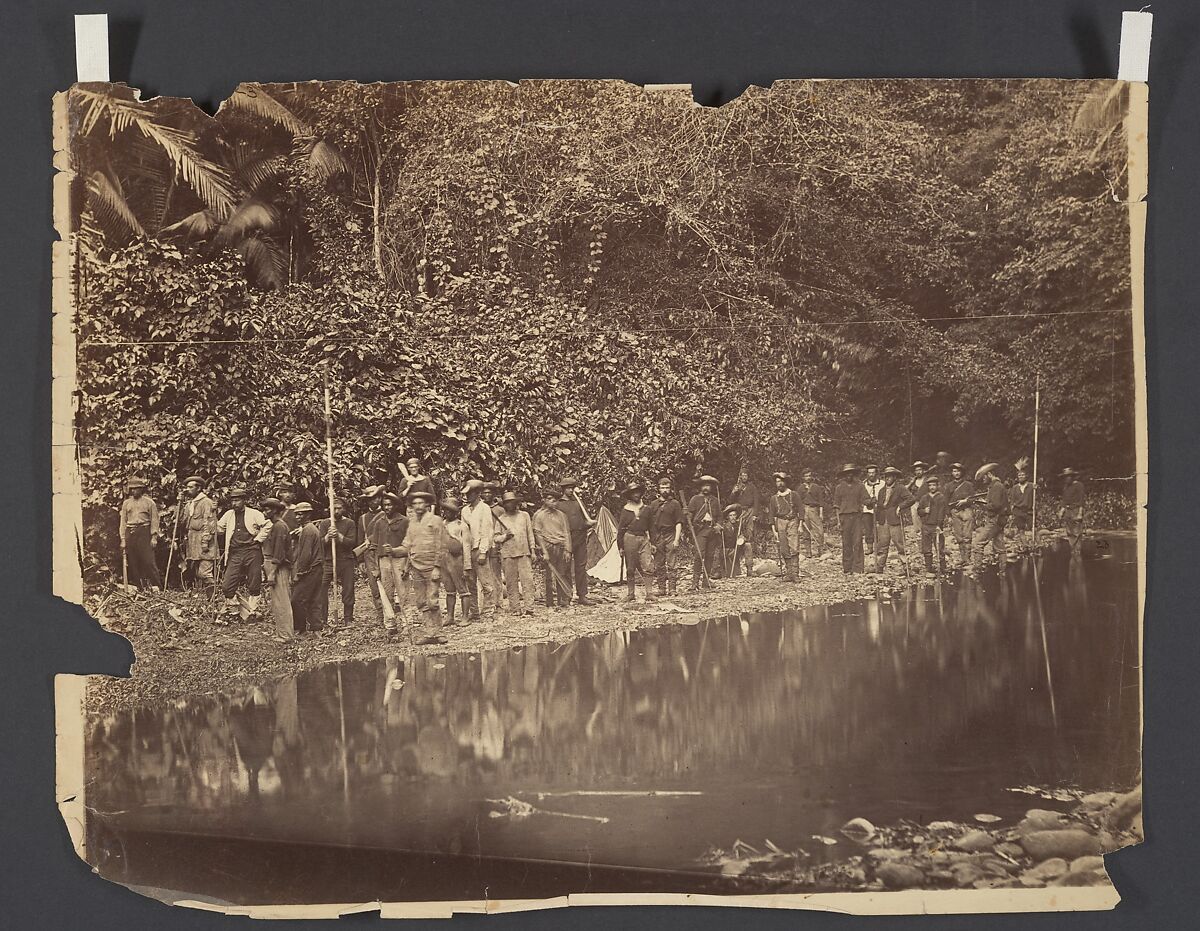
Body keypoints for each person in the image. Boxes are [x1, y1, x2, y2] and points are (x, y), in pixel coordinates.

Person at [397, 489, 446, 642]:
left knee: (432, 600)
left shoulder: (435, 520)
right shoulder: (412, 523)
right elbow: (407, 545)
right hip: (416, 567)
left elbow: (442, 545)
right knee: (421, 602)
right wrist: (393, 552)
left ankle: (438, 633)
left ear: (427, 504)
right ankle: (429, 632)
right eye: (415, 503)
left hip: (431, 567)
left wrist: (437, 567)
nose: (418, 506)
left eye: (421, 503)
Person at [216, 487, 270, 623]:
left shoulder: (254, 513)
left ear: (244, 501)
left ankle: (252, 611)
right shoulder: (229, 514)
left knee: (254, 583)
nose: (234, 503)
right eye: (233, 501)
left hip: (252, 551)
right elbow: (219, 529)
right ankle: (235, 610)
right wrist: (211, 519)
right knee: (227, 585)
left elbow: (268, 525)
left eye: (237, 500)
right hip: (235, 552)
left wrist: (258, 539)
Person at [356, 485, 396, 635]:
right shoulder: (363, 518)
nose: (375, 501)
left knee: (389, 584)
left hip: (385, 552)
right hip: (369, 554)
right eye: (371, 499)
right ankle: (381, 614)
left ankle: (390, 615)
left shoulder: (387, 514)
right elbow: (360, 539)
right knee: (375, 586)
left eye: (377, 498)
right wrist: (360, 560)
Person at [316, 497, 357, 629]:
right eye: (334, 508)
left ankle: (348, 619)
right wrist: (328, 536)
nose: (337, 511)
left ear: (344, 509)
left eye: (339, 508)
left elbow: (351, 543)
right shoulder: (325, 523)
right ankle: (323, 619)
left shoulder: (349, 523)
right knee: (321, 588)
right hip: (328, 561)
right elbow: (320, 544)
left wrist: (338, 535)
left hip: (346, 561)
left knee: (348, 589)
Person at [462, 480, 500, 621]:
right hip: (468, 549)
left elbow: (487, 531)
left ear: (478, 494)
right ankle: (474, 612)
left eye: (470, 493)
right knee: (470, 582)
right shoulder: (465, 510)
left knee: (486, 583)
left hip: (480, 548)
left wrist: (484, 551)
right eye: (466, 494)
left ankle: (488, 611)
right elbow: (465, 534)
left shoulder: (484, 508)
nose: (467, 497)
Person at [495, 491, 536, 615]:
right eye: (507, 503)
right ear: (504, 505)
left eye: (512, 502)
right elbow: (496, 538)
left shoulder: (524, 516)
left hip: (524, 553)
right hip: (508, 554)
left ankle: (529, 607)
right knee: (511, 582)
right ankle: (515, 608)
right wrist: (505, 536)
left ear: (516, 503)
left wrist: (532, 550)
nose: (509, 505)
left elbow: (530, 534)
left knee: (527, 581)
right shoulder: (501, 519)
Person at [533, 486, 574, 608]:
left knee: (562, 573)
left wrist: (568, 549)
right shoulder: (539, 515)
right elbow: (538, 534)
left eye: (555, 500)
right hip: (548, 546)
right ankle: (549, 601)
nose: (553, 502)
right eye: (550, 499)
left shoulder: (562, 515)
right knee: (549, 576)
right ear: (545, 500)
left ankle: (563, 600)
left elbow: (567, 533)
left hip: (561, 547)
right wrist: (544, 551)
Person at [259, 497, 295, 638]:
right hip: (273, 565)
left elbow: (279, 553)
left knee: (282, 602)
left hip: (278, 568)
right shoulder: (275, 525)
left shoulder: (279, 526)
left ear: (274, 511)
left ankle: (286, 635)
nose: (264, 512)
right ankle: (283, 633)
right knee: (277, 601)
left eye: (267, 509)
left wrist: (272, 573)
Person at [557, 477, 596, 605]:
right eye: (568, 488)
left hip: (580, 537)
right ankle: (566, 596)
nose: (571, 490)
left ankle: (582, 595)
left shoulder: (578, 502)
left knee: (581, 567)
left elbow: (585, 519)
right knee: (565, 567)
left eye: (572, 488)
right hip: (566, 539)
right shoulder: (559, 504)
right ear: (563, 489)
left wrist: (588, 524)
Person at [119, 477, 162, 590]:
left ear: (141, 489)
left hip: (144, 532)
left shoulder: (149, 503)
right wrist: (123, 539)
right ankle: (140, 587)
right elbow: (123, 522)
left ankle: (157, 586)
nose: (134, 491)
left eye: (136, 489)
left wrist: (154, 537)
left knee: (148, 561)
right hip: (131, 532)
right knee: (133, 561)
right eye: (132, 489)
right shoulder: (126, 503)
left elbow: (155, 520)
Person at [615, 482, 655, 603]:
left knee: (648, 566)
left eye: (638, 492)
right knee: (630, 568)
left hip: (643, 538)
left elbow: (652, 527)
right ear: (630, 495)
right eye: (633, 493)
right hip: (630, 538)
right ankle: (631, 594)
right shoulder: (626, 510)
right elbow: (621, 529)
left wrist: (653, 543)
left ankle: (649, 593)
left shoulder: (647, 509)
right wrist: (620, 546)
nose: (636, 494)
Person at [289, 502, 325, 633]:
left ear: (308, 515)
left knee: (296, 599)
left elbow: (305, 555)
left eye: (301, 514)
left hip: (311, 569)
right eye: (296, 514)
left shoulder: (308, 531)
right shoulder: (308, 529)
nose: (298, 517)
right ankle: (316, 627)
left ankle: (300, 627)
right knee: (314, 598)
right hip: (316, 568)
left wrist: (299, 574)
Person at [439, 497, 474, 626]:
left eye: (450, 511)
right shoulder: (442, 524)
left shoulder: (462, 526)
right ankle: (450, 616)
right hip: (444, 559)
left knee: (463, 589)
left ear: (455, 512)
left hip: (457, 559)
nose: (447, 513)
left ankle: (465, 617)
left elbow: (466, 546)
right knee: (449, 589)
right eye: (445, 510)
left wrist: (467, 565)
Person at [873, 467, 916, 573]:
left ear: (895, 477)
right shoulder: (881, 491)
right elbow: (879, 506)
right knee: (882, 544)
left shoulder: (900, 488)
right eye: (886, 476)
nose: (887, 478)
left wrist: (900, 507)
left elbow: (911, 499)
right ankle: (879, 567)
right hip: (883, 520)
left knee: (899, 544)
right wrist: (877, 517)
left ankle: (906, 567)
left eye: (890, 476)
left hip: (895, 520)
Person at [180, 476, 218, 592]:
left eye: (191, 487)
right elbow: (182, 521)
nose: (187, 489)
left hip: (204, 541)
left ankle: (213, 599)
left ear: (199, 488)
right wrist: (180, 503)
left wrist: (205, 541)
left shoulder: (206, 502)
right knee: (196, 572)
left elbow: (210, 523)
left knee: (204, 573)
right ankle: (204, 599)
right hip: (193, 541)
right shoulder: (190, 504)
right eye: (187, 487)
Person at [971, 463, 1010, 573]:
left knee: (978, 543)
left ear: (989, 474)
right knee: (1000, 546)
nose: (983, 479)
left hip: (995, 520)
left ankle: (977, 570)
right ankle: (1003, 572)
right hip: (999, 520)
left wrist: (983, 504)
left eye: (984, 477)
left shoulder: (996, 486)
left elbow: (996, 505)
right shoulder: (996, 486)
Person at [377, 492, 410, 621]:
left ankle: (408, 624)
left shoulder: (404, 521)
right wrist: (376, 566)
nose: (387, 508)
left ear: (395, 506)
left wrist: (407, 565)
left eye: (390, 505)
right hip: (384, 561)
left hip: (400, 560)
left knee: (403, 593)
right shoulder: (380, 522)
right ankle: (390, 624)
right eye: (384, 505)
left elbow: (409, 545)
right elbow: (375, 545)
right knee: (386, 593)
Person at [648, 476, 684, 593]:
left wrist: (677, 539)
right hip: (657, 536)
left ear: (670, 489)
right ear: (658, 489)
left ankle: (672, 589)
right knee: (659, 564)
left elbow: (678, 522)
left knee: (672, 563)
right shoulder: (653, 504)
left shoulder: (675, 504)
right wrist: (651, 541)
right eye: (662, 487)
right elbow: (650, 524)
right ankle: (661, 589)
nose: (665, 490)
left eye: (667, 488)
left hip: (670, 535)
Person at [832, 464, 870, 574]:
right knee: (846, 543)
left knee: (857, 542)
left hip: (857, 517)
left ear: (854, 474)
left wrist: (870, 502)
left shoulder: (860, 486)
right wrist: (838, 521)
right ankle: (847, 568)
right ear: (844, 475)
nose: (849, 475)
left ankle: (858, 568)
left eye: (851, 473)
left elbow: (866, 499)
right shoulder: (839, 488)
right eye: (847, 473)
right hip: (844, 518)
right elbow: (837, 505)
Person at [687, 475, 722, 590]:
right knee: (699, 555)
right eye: (704, 485)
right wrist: (688, 520)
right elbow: (690, 516)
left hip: (712, 530)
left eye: (708, 485)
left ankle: (706, 582)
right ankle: (695, 582)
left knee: (710, 556)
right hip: (700, 530)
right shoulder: (695, 499)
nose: (706, 488)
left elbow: (720, 517)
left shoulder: (715, 501)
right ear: (700, 487)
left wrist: (718, 525)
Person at [767, 472, 803, 582]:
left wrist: (800, 525)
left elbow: (801, 509)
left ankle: (795, 574)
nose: (780, 484)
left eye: (782, 481)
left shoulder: (794, 494)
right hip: (780, 522)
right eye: (778, 481)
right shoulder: (774, 498)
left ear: (786, 482)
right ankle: (789, 573)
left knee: (794, 546)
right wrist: (774, 530)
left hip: (792, 521)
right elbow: (771, 514)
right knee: (784, 548)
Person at [916, 475, 948, 575]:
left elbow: (941, 512)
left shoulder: (941, 498)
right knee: (926, 548)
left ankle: (943, 568)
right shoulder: (924, 498)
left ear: (937, 486)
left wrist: (939, 525)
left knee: (940, 548)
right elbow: (919, 511)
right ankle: (929, 568)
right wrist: (924, 511)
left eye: (934, 485)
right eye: (930, 485)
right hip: (926, 526)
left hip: (936, 526)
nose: (932, 487)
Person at [946, 463, 975, 568]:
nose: (956, 473)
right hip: (955, 512)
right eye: (954, 471)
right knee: (959, 536)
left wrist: (965, 501)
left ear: (962, 472)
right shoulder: (948, 486)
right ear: (951, 473)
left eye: (958, 471)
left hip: (966, 510)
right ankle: (963, 559)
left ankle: (968, 558)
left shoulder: (968, 485)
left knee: (967, 535)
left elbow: (973, 498)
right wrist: (948, 515)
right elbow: (946, 501)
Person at [800, 468, 827, 559]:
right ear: (803, 477)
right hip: (804, 510)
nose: (808, 478)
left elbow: (821, 501)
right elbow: (798, 502)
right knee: (806, 531)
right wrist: (800, 514)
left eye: (809, 475)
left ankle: (820, 550)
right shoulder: (800, 488)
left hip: (814, 509)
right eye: (806, 476)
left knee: (819, 530)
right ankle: (808, 551)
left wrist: (821, 513)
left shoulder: (816, 487)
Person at [1008, 465, 1034, 553]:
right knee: (1021, 530)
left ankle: (1037, 545)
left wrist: (1036, 488)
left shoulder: (1031, 486)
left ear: (1026, 476)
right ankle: (1025, 546)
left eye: (1023, 475)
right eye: (1019, 475)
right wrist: (1011, 513)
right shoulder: (1015, 488)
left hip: (1029, 511)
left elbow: (1036, 496)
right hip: (1018, 511)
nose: (1021, 477)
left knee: (1033, 528)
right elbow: (1012, 501)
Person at [1060, 467, 1085, 553]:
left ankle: (1077, 551)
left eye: (1069, 476)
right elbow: (1064, 500)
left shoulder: (1079, 485)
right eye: (1065, 477)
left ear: (1072, 476)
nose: (1067, 478)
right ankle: (1073, 550)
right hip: (1068, 511)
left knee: (1077, 532)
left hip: (1076, 510)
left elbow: (1082, 500)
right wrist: (1062, 510)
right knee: (1069, 532)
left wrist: (1080, 513)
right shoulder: (1066, 487)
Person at [862, 464, 884, 557]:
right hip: (867, 509)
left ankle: (879, 548)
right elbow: (862, 497)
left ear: (876, 473)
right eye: (869, 473)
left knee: (879, 528)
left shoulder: (882, 483)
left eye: (873, 472)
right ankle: (870, 547)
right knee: (868, 529)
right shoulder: (863, 484)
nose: (871, 475)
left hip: (879, 509)